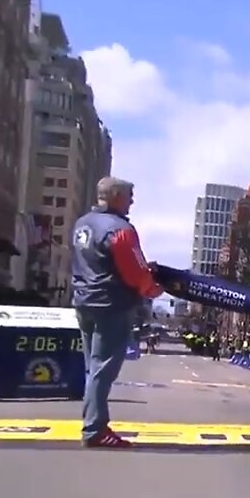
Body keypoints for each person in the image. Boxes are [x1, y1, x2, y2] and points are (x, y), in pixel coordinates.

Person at [71, 177, 163, 448]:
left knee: (93, 367)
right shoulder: (120, 229)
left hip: (84, 301)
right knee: (103, 368)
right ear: (116, 196)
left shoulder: (82, 224)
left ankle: (93, 424)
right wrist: (152, 288)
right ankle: (95, 429)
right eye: (129, 195)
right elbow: (136, 274)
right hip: (112, 305)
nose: (132, 201)